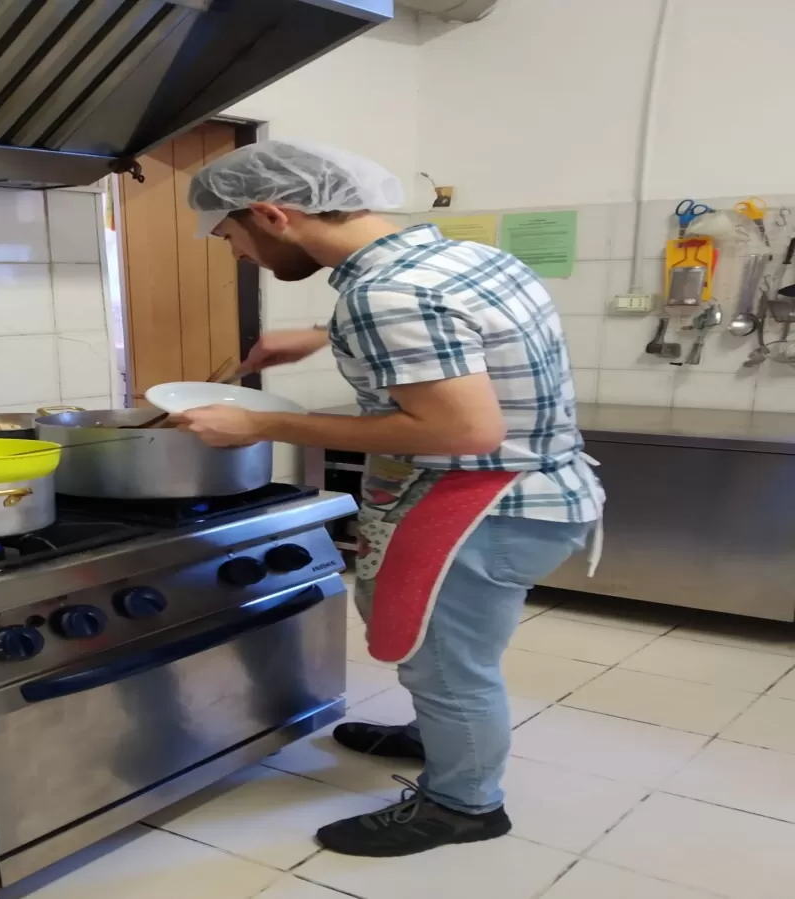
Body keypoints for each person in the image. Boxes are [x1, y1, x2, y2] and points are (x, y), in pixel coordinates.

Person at [172, 140, 604, 858]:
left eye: (231, 238)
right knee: (453, 654)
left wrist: (261, 421)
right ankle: (436, 732)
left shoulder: (386, 294)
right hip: (540, 491)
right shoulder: (458, 258)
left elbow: (462, 427)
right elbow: (461, 328)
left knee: (449, 663)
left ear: (273, 214)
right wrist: (322, 334)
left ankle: (463, 803)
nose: (239, 257)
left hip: (481, 505)